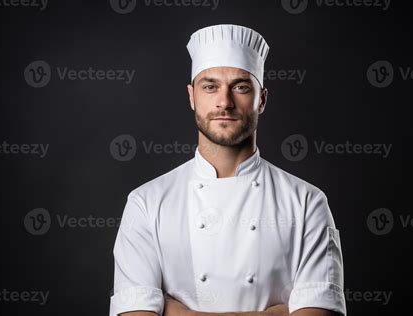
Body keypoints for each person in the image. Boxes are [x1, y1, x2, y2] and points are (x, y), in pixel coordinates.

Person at [109, 24, 346, 316]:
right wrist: (281, 312)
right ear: (192, 97)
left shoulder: (307, 202)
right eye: (210, 86)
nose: (225, 102)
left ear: (262, 99)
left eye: (241, 87)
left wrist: (175, 312)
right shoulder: (146, 203)